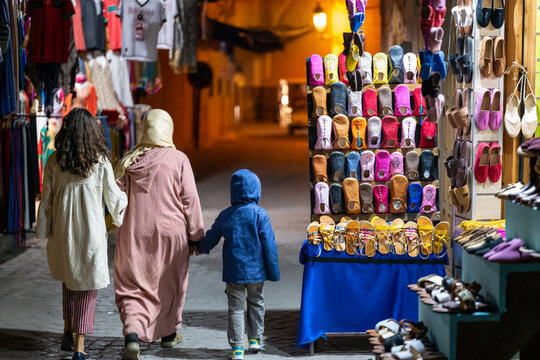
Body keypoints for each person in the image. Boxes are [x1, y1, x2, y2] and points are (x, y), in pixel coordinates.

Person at [37, 108, 128, 360]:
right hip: (91, 233)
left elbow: (47, 200)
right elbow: (113, 198)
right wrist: (125, 204)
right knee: (87, 287)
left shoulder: (54, 161)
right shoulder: (99, 162)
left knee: (69, 278)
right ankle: (79, 345)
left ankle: (67, 330)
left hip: (63, 232)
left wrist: (44, 231)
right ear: (91, 133)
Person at [113, 109, 205, 360]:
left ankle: (132, 336)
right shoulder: (179, 159)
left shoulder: (129, 160)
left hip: (134, 233)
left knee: (133, 285)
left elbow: (115, 198)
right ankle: (168, 335)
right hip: (171, 234)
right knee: (169, 282)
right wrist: (196, 235)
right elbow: (190, 199)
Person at [197, 169, 280, 360]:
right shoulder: (260, 214)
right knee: (256, 301)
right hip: (256, 271)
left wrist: (199, 247)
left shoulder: (225, 215)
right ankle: (255, 339)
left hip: (234, 272)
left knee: (235, 307)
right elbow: (269, 244)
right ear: (256, 190)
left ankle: (237, 349)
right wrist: (273, 271)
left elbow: (212, 237)